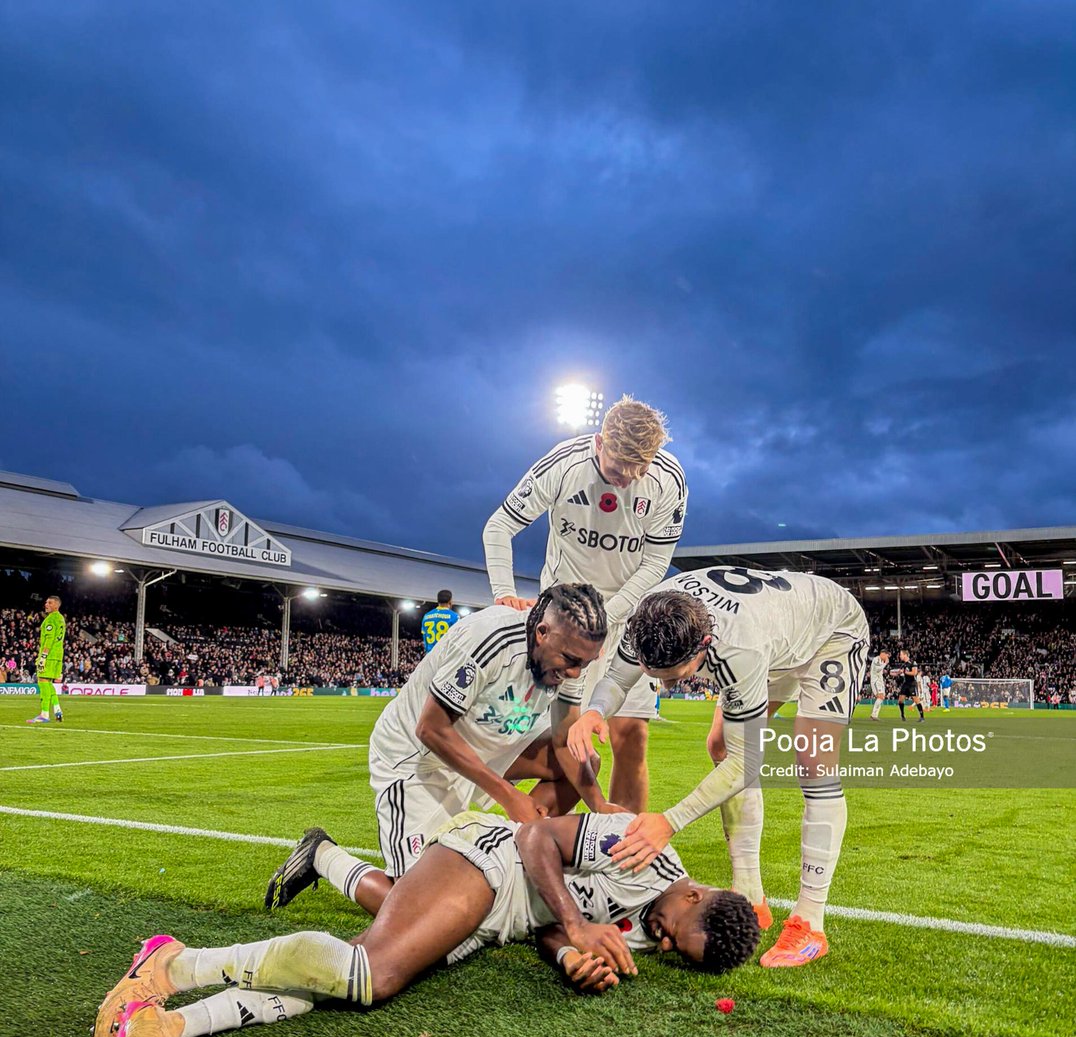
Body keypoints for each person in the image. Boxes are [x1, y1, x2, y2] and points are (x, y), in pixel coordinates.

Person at [95, 809, 761, 1037]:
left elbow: (552, 936)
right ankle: (172, 965)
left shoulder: (654, 929)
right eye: (678, 929)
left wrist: (568, 959)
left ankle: (172, 1024)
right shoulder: (641, 848)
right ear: (696, 891)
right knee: (371, 974)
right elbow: (536, 840)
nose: (664, 941)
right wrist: (575, 925)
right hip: (491, 861)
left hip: (499, 921)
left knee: (343, 970)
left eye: (677, 953)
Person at [568, 567, 870, 968]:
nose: (667, 687)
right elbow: (618, 679)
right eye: (655, 676)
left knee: (813, 761)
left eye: (676, 676)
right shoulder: (645, 619)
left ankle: (809, 922)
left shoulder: (737, 649)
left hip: (829, 633)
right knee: (720, 745)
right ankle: (749, 894)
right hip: (777, 633)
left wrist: (670, 821)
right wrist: (594, 711)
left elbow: (748, 762)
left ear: (704, 645)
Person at [267, 583, 611, 918]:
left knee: (583, 764)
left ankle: (515, 854)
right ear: (542, 632)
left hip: (487, 746)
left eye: (586, 663)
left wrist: (600, 805)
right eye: (570, 660)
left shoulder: (570, 653)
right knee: (419, 911)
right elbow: (430, 728)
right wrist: (510, 796)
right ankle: (321, 855)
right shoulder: (489, 639)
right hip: (419, 757)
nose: (575, 673)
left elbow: (565, 741)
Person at [482, 397, 688, 812]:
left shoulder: (670, 480)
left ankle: (618, 851)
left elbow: (655, 563)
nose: (627, 481)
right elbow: (499, 525)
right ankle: (497, 831)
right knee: (532, 734)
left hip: (626, 620)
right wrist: (503, 590)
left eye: (640, 470)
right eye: (617, 469)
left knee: (631, 736)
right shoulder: (563, 463)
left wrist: (608, 619)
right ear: (599, 443)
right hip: (562, 625)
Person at [26, 595, 65, 724]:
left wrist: (43, 657)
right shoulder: (61, 619)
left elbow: (49, 639)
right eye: (46, 602)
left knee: (42, 681)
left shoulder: (50, 620)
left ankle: (44, 714)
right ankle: (57, 710)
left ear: (56, 605)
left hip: (49, 656)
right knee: (48, 683)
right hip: (58, 655)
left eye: (49, 603)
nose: (46, 605)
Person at [894, 650, 925, 721]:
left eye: (901, 654)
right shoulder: (903, 664)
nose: (900, 656)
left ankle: (922, 717)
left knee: (916, 700)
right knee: (900, 700)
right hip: (905, 683)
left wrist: (905, 672)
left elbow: (914, 673)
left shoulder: (913, 663)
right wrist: (897, 673)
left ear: (905, 655)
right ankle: (902, 715)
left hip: (912, 684)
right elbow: (900, 672)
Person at [868, 649, 890, 720]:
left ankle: (874, 715)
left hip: (880, 681)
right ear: (883, 654)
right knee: (880, 697)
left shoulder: (880, 660)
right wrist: (885, 663)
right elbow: (878, 669)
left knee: (882, 697)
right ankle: (874, 715)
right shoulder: (876, 659)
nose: (887, 658)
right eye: (887, 656)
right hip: (876, 681)